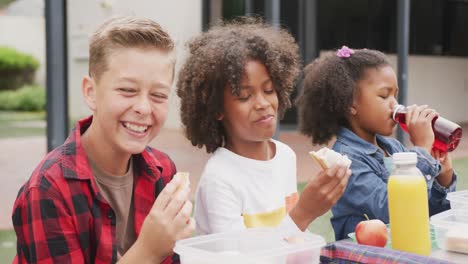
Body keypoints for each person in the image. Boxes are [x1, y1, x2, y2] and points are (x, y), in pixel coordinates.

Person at [12, 17, 194, 263]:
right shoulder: (48, 189)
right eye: (127, 90)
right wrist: (149, 250)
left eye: (158, 95)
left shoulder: (162, 172)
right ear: (91, 92)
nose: (143, 107)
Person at [177, 18, 351, 236]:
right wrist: (304, 213)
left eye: (269, 90)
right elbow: (239, 257)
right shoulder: (219, 178)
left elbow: (291, 241)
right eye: (244, 96)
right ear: (217, 110)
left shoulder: (285, 157)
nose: (263, 103)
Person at [296, 46, 457, 240]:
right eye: (384, 95)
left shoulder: (395, 148)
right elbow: (391, 211)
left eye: (395, 95)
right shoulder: (345, 160)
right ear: (351, 104)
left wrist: (443, 177)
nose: (395, 105)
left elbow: (426, 214)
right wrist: (421, 150)